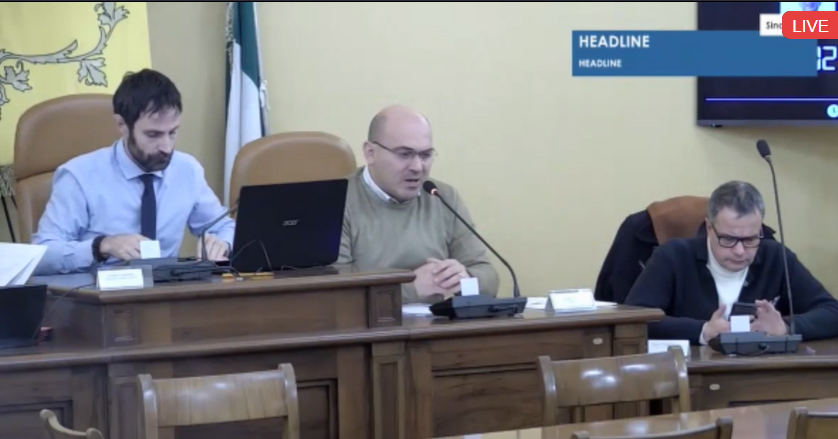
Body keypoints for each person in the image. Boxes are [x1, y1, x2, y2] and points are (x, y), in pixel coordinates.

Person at [32, 69, 234, 275]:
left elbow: (225, 227)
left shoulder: (187, 170)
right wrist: (102, 246)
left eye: (172, 132)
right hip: (100, 290)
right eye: (153, 135)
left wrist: (221, 243)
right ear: (122, 125)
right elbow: (42, 255)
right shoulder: (79, 175)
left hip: (169, 289)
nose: (166, 147)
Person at [624, 180, 838, 345]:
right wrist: (702, 331)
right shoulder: (674, 256)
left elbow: (832, 312)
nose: (739, 251)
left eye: (750, 240)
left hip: (762, 373)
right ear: (709, 228)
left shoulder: (776, 257)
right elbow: (635, 320)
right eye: (728, 239)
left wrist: (785, 327)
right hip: (694, 376)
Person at [337, 104, 499, 303]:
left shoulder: (442, 197)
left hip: (437, 321)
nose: (417, 167)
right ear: (370, 153)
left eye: (425, 155)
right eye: (404, 154)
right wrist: (412, 288)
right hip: (369, 323)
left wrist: (464, 280)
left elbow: (488, 278)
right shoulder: (335, 204)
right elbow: (333, 295)